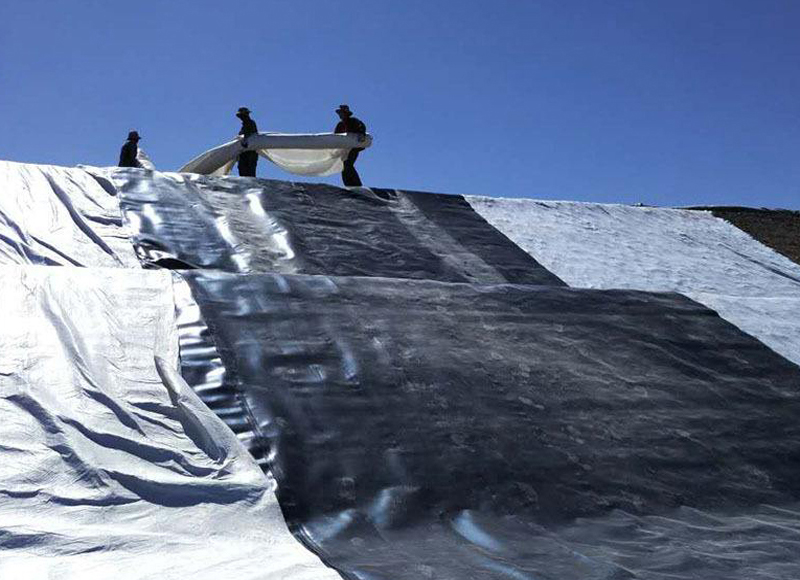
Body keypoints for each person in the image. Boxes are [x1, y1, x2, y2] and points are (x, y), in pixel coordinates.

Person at [334, 104, 367, 186]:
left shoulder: (354, 121)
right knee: (343, 166)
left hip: (353, 148)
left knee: (348, 164)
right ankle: (348, 185)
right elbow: (335, 136)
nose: (340, 115)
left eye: (342, 113)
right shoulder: (340, 125)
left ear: (346, 113)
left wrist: (362, 135)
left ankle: (357, 185)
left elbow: (362, 128)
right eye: (339, 113)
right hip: (343, 149)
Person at [236, 107, 259, 177]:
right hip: (243, 151)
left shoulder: (251, 123)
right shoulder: (244, 126)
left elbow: (251, 135)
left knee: (249, 169)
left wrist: (243, 138)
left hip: (250, 151)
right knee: (242, 168)